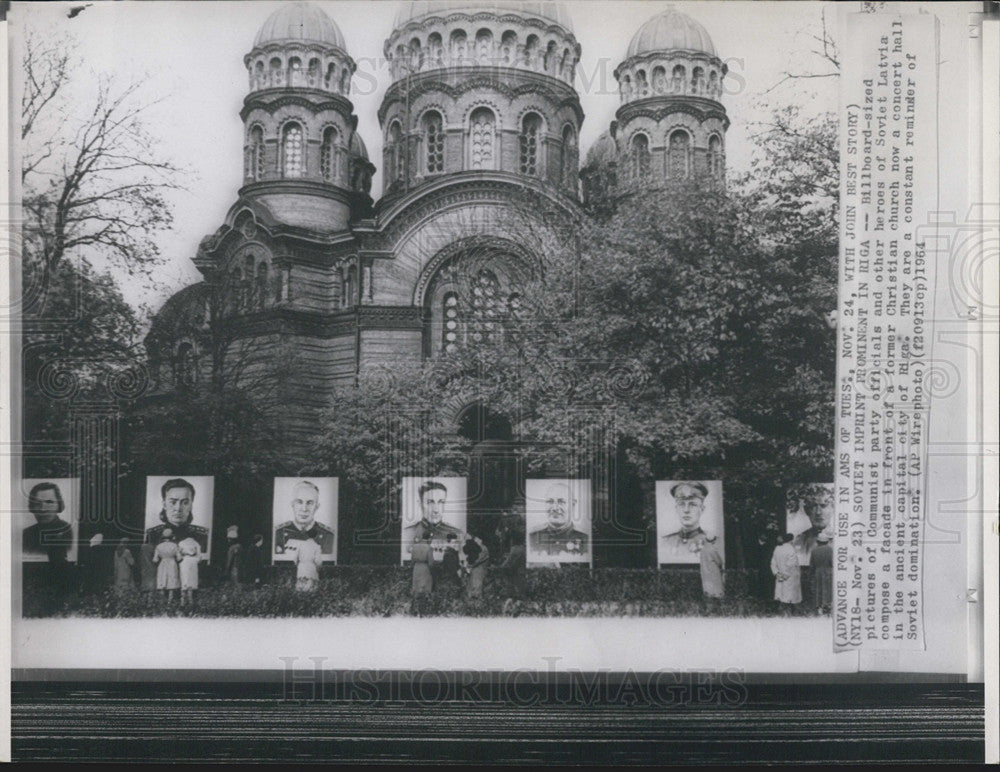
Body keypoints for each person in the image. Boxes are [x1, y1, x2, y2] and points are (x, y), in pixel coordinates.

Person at [402, 480, 463, 561]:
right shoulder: (408, 533)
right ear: (420, 504)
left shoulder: (457, 533)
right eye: (430, 502)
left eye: (441, 502)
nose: (436, 509)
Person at [145, 478, 209, 553]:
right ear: (164, 505)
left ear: (191, 505)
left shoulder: (203, 536)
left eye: (185, 502)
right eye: (173, 502)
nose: (178, 508)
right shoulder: (152, 535)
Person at [528, 481, 589, 558]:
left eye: (561, 502)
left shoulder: (586, 538)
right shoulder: (531, 537)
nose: (555, 508)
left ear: (573, 505)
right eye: (550, 502)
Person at [274, 480, 335, 557]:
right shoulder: (278, 533)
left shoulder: (328, 536)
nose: (304, 509)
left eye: (310, 503)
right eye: (299, 502)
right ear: (292, 505)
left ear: (317, 506)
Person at [23, 481, 73, 561]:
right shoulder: (26, 534)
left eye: (49, 502)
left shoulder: (70, 532)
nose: (42, 509)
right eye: (37, 503)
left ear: (59, 505)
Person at [661, 482, 710, 562]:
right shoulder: (665, 542)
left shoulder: (712, 542)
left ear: (702, 509)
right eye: (681, 504)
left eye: (693, 504)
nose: (686, 510)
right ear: (676, 509)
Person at [770, 533, 802, 609]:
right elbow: (791, 565)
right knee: (790, 597)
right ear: (791, 540)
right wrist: (785, 575)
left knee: (781, 595)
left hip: (780, 575)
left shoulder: (777, 548)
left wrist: (777, 573)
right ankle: (789, 613)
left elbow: (773, 563)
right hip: (790, 577)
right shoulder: (791, 550)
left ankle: (782, 612)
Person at [152, 528, 181, 604]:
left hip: (162, 564)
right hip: (172, 563)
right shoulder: (174, 545)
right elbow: (179, 558)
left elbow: (155, 559)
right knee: (171, 580)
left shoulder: (158, 546)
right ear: (171, 537)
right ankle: (170, 601)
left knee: (162, 580)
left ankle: (162, 601)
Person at [809, 532, 834, 614]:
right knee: (828, 589)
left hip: (817, 572)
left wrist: (811, 574)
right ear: (826, 541)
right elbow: (832, 562)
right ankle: (827, 606)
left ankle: (819, 607)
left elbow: (812, 565)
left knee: (818, 589)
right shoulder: (830, 550)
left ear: (818, 541)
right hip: (828, 572)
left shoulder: (814, 550)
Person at [410, 530, 434, 611]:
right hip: (425, 567)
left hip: (416, 567)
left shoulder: (415, 546)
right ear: (429, 538)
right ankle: (423, 609)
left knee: (416, 587)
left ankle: (413, 609)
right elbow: (431, 562)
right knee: (424, 588)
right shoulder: (429, 547)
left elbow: (412, 560)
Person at [500, 530, 527, 601]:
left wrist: (500, 567)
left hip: (515, 574)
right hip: (522, 572)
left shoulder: (515, 549)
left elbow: (508, 562)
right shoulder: (524, 548)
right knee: (521, 593)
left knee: (512, 593)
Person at [698, 530, 724, 600]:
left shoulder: (702, 550)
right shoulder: (712, 549)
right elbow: (719, 562)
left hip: (705, 573)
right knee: (717, 593)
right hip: (714, 573)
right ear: (713, 541)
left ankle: (708, 609)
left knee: (708, 593)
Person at [177, 535, 201, 607]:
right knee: (192, 579)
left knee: (184, 578)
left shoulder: (181, 543)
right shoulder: (196, 543)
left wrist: (180, 559)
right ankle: (191, 601)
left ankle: (182, 601)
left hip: (184, 561)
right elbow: (199, 556)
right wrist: (196, 560)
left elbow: (178, 554)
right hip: (193, 561)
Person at [464, 534, 490, 600]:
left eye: (476, 539)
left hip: (479, 571)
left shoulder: (483, 549)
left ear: (481, 540)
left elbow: (478, 560)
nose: (475, 540)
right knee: (474, 587)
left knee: (477, 589)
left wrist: (469, 565)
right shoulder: (479, 548)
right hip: (476, 570)